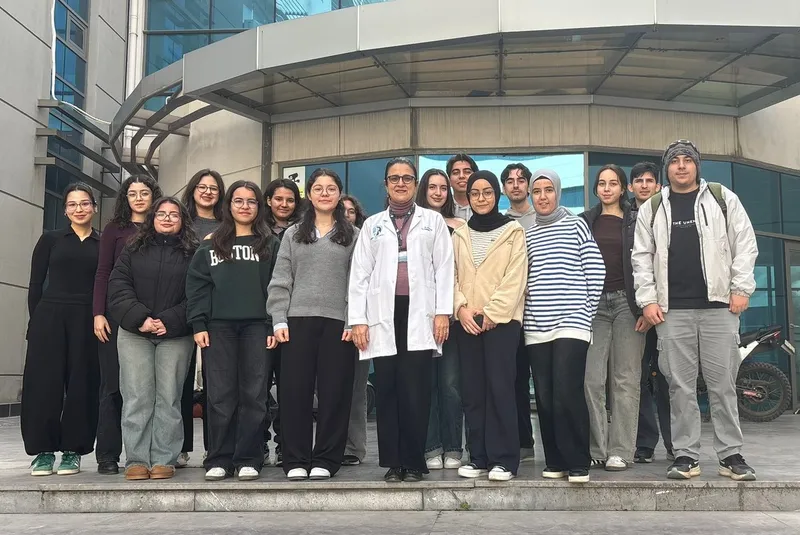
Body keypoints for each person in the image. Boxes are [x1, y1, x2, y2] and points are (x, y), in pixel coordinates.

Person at [633, 140, 758, 481]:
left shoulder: (721, 198)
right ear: (667, 168)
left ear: (697, 165)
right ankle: (686, 455)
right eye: (675, 161)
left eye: (687, 160)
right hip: (672, 312)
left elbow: (745, 243)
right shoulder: (654, 207)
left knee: (723, 385)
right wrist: (648, 300)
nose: (681, 166)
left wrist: (740, 289)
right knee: (680, 387)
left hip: (719, 307)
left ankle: (730, 454)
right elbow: (641, 257)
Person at [348, 157, 454, 483]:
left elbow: (444, 268)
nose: (401, 183)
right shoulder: (373, 224)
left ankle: (414, 461)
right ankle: (393, 462)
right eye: (394, 178)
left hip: (420, 313)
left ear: (415, 183)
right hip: (384, 313)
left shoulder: (432, 221)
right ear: (386, 184)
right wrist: (358, 320)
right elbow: (359, 275)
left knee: (416, 389)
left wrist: (442, 312)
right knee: (389, 388)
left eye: (407, 178)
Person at [186, 180, 281, 482]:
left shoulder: (270, 244)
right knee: (220, 395)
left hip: (258, 326)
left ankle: (249, 457)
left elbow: (278, 287)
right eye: (238, 200)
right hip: (218, 328)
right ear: (228, 205)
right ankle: (219, 458)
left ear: (259, 207)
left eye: (251, 201)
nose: (244, 206)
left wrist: (272, 323)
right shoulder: (210, 244)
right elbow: (197, 286)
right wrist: (198, 324)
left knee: (254, 394)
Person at [268, 169, 359, 480]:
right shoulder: (293, 234)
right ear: (309, 194)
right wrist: (279, 319)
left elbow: (358, 282)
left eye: (331, 188)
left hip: (339, 324)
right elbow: (281, 280)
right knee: (294, 393)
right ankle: (295, 458)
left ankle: (326, 459)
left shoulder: (354, 235)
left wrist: (354, 320)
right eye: (318, 188)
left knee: (335, 394)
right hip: (297, 322)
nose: (324, 193)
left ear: (339, 194)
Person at [107, 198, 198, 480]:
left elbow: (199, 293)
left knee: (169, 397)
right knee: (137, 396)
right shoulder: (133, 249)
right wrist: (141, 318)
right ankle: (136, 460)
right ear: (152, 218)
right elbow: (118, 286)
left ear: (183, 220)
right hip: (135, 332)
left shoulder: (193, 253)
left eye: (174, 214)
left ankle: (163, 459)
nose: (167, 218)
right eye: (162, 214)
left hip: (176, 334)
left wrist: (169, 320)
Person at [524, 170, 605, 484]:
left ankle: (578, 461)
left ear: (557, 193)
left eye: (548, 190)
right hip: (536, 326)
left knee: (566, 391)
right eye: (537, 191)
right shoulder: (528, 234)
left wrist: (585, 312)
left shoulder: (575, 225)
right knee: (544, 396)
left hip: (571, 324)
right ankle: (555, 459)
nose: (543, 196)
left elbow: (595, 269)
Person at [453, 171, 528, 481]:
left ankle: (504, 460)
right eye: (475, 193)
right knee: (473, 391)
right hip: (467, 323)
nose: (481, 198)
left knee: (500, 388)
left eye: (487, 192)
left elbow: (516, 277)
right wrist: (460, 309)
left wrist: (491, 313)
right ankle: (479, 457)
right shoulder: (460, 235)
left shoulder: (513, 231)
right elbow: (450, 276)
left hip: (502, 323)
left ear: (497, 195)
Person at [22, 183, 100, 477]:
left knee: (83, 383)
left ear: (94, 207)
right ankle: (43, 452)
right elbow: (35, 284)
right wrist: (35, 321)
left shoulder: (102, 243)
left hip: (87, 318)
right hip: (50, 316)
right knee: (44, 383)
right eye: (72, 204)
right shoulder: (50, 239)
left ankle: (73, 451)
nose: (79, 209)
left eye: (84, 203)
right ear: (65, 210)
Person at [94, 175, 161, 475]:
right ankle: (108, 454)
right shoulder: (115, 229)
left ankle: (150, 454)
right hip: (116, 316)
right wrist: (98, 313)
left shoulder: (161, 226)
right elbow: (103, 272)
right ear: (125, 198)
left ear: (153, 196)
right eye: (132, 193)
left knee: (149, 389)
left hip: (154, 317)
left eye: (144, 193)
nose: (139, 198)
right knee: (113, 386)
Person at [580, 165, 646, 471]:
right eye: (602, 183)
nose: (607, 188)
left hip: (627, 305)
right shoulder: (584, 221)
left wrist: (646, 306)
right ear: (596, 189)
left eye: (613, 183)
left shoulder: (637, 219)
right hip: (593, 306)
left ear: (623, 189)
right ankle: (597, 447)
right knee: (591, 379)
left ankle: (621, 450)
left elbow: (651, 262)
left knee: (625, 379)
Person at [416, 169, 466, 471]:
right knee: (426, 385)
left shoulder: (460, 226)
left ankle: (453, 447)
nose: (438, 192)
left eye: (443, 188)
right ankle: (431, 447)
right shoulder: (413, 224)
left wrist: (450, 310)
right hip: (419, 316)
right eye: (432, 187)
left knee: (451, 385)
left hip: (452, 317)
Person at [627, 162, 673, 464]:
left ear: (658, 186)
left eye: (649, 180)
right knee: (637, 378)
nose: (644, 185)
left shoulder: (669, 213)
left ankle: (675, 442)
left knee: (669, 377)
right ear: (630, 186)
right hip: (634, 313)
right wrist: (641, 307)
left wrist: (656, 304)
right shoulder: (623, 218)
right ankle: (644, 442)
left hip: (667, 310)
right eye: (638, 180)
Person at [179, 169, 226, 465]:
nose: (207, 192)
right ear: (193, 190)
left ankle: (214, 445)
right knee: (181, 381)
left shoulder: (226, 225)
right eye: (202, 187)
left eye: (213, 188)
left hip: (216, 309)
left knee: (215, 382)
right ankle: (180, 446)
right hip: (180, 306)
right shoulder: (180, 222)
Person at [262, 178, 302, 466]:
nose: (284, 204)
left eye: (290, 200)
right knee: (258, 389)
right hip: (262, 321)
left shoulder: (303, 231)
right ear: (268, 200)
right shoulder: (256, 231)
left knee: (291, 389)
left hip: (294, 321)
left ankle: (285, 446)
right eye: (279, 199)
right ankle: (259, 443)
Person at [501, 163, 537, 462]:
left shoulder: (544, 217)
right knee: (515, 378)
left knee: (546, 380)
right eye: (510, 181)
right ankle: (523, 441)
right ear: (504, 188)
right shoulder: (500, 223)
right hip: (512, 313)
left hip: (542, 310)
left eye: (521, 180)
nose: (516, 185)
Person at [340, 194, 370, 467]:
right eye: (342, 210)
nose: (346, 215)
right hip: (328, 322)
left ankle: (353, 447)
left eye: (351, 211)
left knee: (355, 390)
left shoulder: (365, 239)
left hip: (359, 323)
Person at [447, 153, 478, 221]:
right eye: (456, 173)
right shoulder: (442, 208)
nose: (461, 176)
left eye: (467, 172)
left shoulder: (484, 205)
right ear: (449, 180)